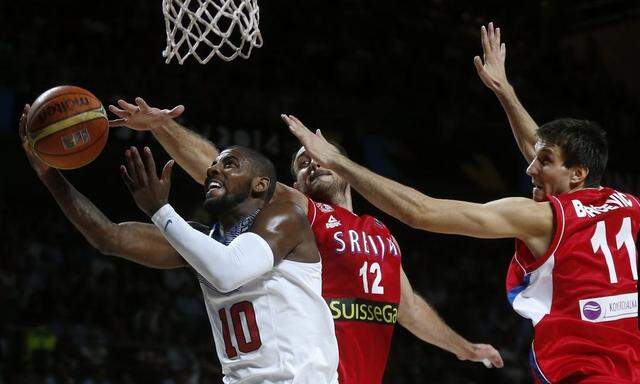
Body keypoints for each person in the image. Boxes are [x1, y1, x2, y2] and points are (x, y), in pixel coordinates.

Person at [284, 23, 640, 384]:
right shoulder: (627, 206)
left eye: (542, 161)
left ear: (577, 174)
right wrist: (506, 93)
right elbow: (552, 155)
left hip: (586, 374)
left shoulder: (541, 216)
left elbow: (420, 212)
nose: (530, 167)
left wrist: (337, 159)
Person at [108, 98, 504, 383]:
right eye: (301, 163)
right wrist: (162, 126)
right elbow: (219, 170)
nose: (311, 162)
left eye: (317, 156)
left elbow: (410, 308)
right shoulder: (301, 214)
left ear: (344, 169)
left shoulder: (382, 235)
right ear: (294, 183)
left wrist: (463, 348)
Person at [19, 104, 339, 384]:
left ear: (260, 184)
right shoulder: (203, 243)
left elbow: (229, 271)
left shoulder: (285, 218)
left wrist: (161, 210)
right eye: (214, 166)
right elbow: (108, 236)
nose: (214, 169)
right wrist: (48, 172)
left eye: (229, 164)